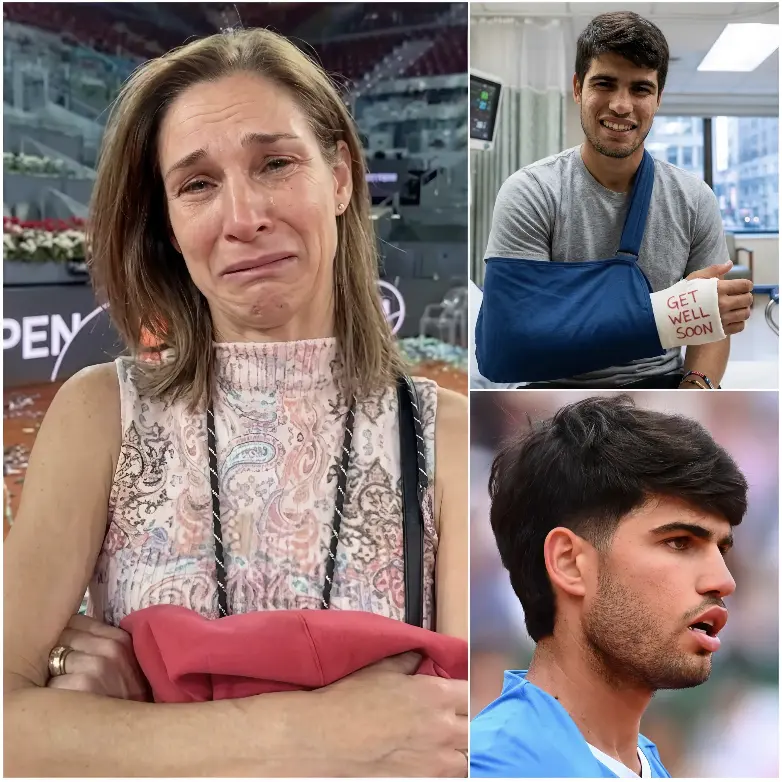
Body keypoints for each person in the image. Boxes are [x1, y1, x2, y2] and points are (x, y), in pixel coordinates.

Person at [4, 28, 468, 778]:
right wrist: (316, 733)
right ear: (169, 225)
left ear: (341, 177)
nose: (243, 215)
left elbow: (459, 741)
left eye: (275, 164)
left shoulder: (440, 433)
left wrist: (117, 731)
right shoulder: (101, 416)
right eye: (197, 184)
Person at [470, 395, 748, 777]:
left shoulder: (641, 762)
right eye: (679, 542)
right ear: (569, 562)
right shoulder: (493, 767)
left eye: (721, 549)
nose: (723, 581)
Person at [481, 12, 754, 389]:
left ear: (658, 98)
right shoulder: (531, 192)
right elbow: (506, 348)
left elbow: (711, 328)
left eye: (640, 89)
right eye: (604, 84)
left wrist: (697, 387)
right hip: (552, 390)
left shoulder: (694, 200)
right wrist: (669, 316)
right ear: (578, 88)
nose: (621, 105)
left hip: (660, 386)